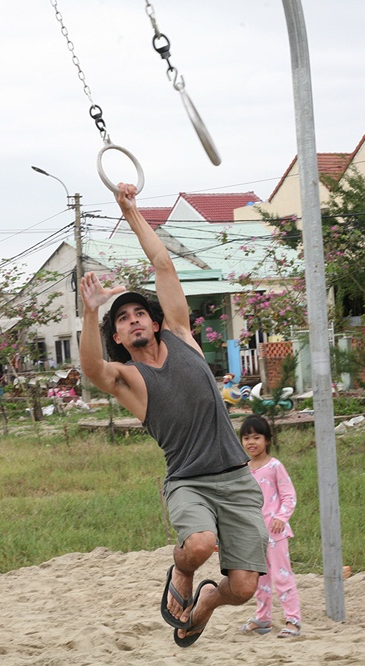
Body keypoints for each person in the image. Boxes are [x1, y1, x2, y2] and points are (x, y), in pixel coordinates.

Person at [79, 182, 268, 648]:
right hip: (189, 481)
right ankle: (182, 571)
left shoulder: (183, 336)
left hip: (237, 479)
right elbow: (89, 368)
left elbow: (162, 264)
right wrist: (90, 313)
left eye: (139, 313)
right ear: (118, 337)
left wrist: (131, 212)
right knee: (200, 544)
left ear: (158, 320)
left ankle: (204, 603)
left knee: (244, 589)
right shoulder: (128, 380)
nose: (133, 320)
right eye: (122, 319)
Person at [236, 414, 303, 638]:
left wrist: (281, 517)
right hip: (252, 534)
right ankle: (263, 618)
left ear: (267, 440)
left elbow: (289, 495)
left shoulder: (275, 466)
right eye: (246, 438)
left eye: (257, 437)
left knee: (282, 576)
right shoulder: (242, 468)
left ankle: (293, 620)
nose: (251, 442)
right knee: (258, 578)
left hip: (274, 533)